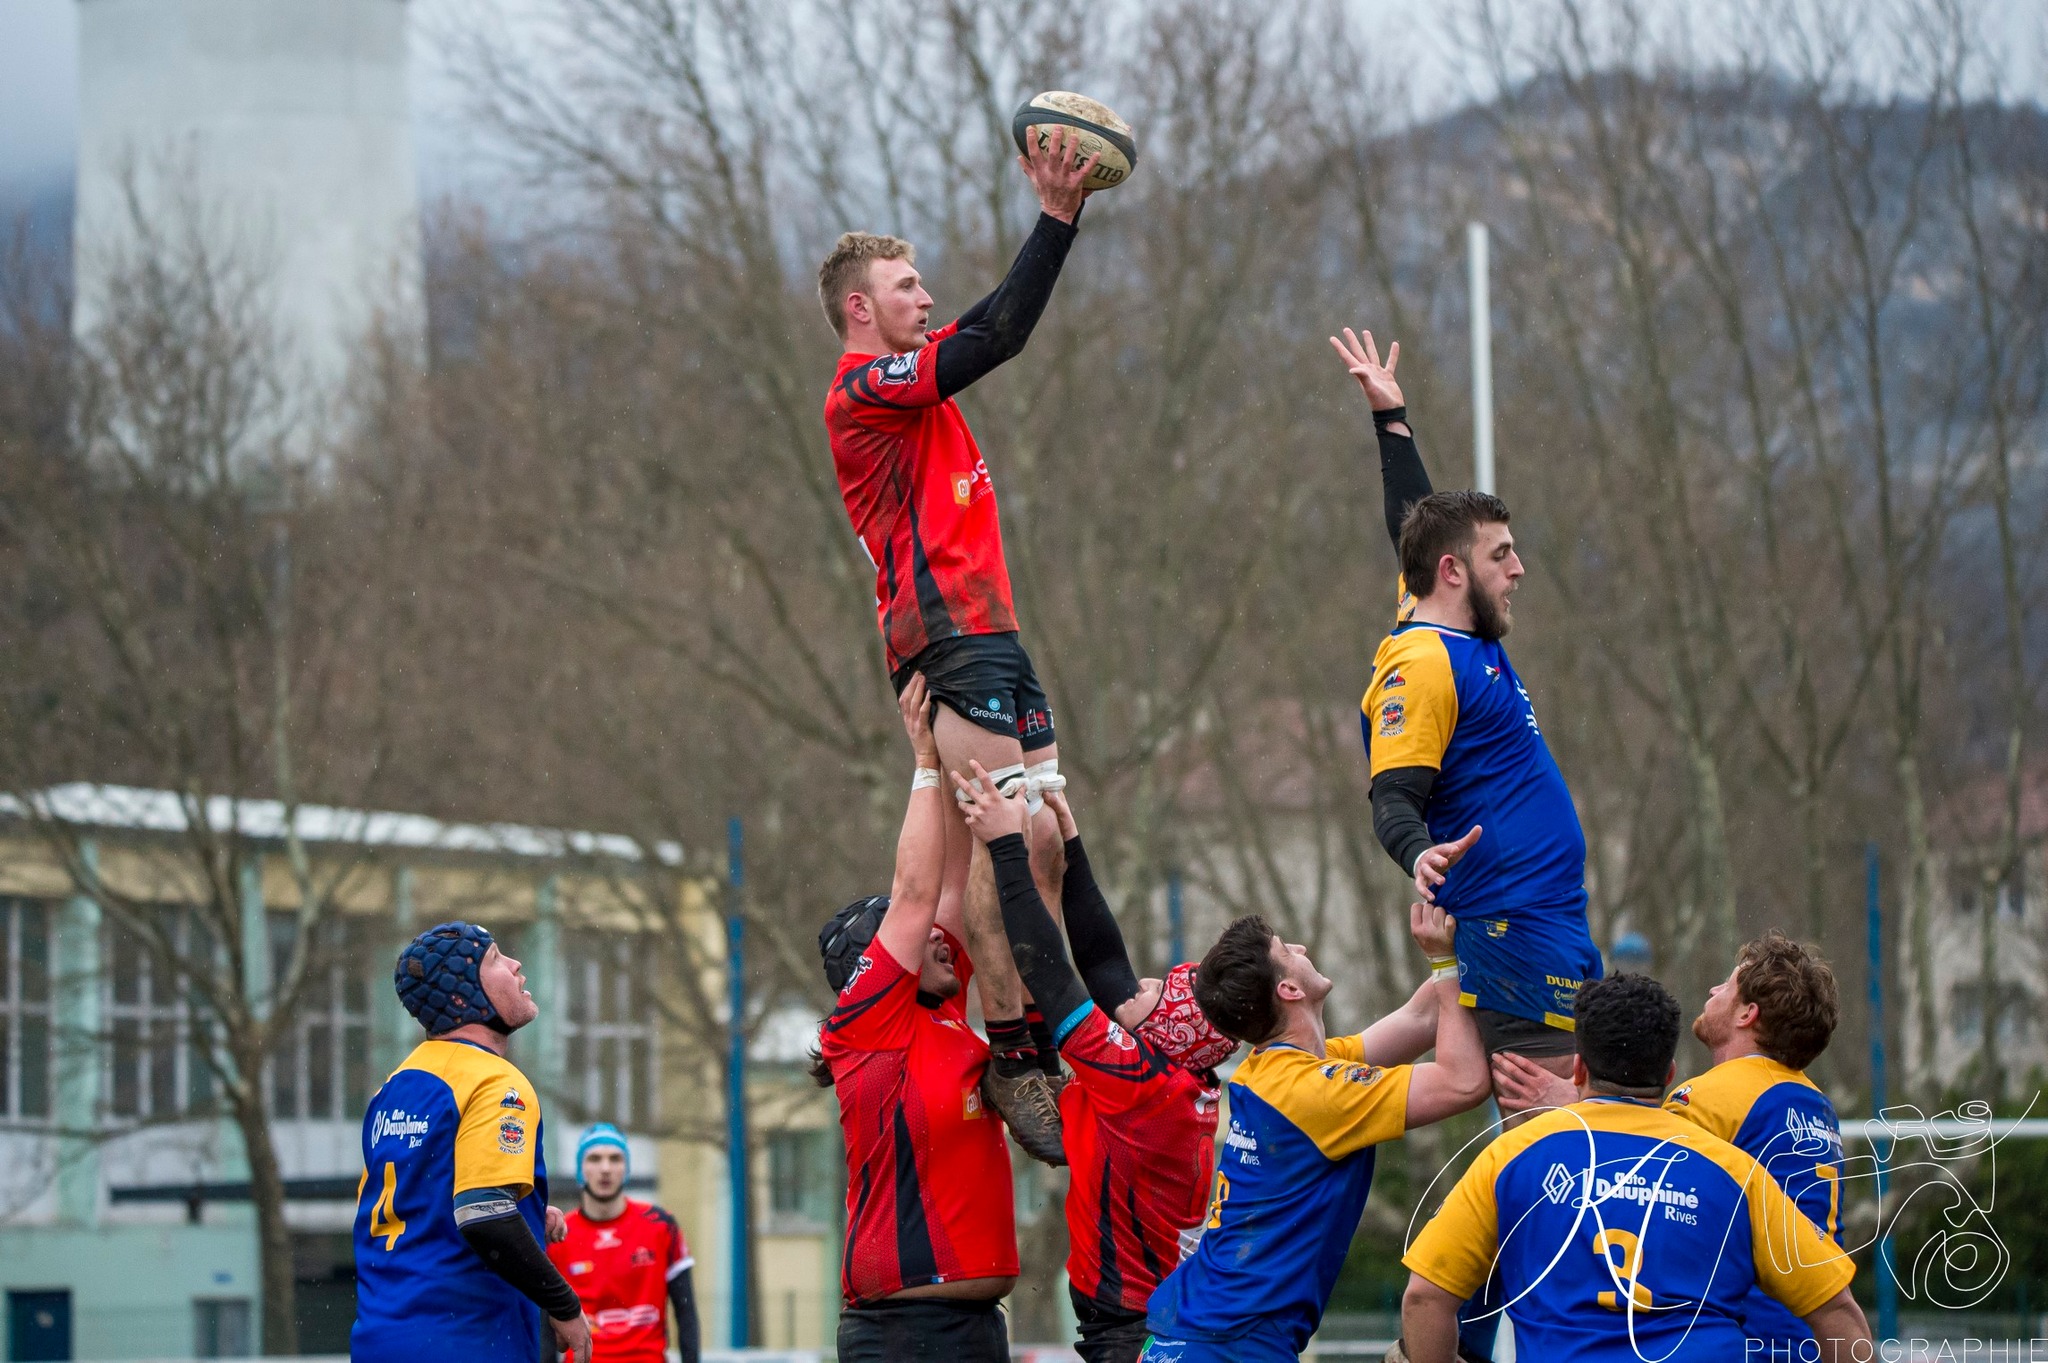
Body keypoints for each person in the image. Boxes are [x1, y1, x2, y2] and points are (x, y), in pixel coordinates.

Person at [818, 125, 1101, 1157]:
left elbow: (974, 333)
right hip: (949, 639)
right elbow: (996, 335)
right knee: (998, 844)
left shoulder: (912, 391)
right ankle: (1017, 1052)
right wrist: (1056, 220)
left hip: (997, 633)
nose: (924, 296)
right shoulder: (861, 392)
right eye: (905, 285)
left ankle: (1056, 1018)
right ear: (861, 308)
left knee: (1044, 841)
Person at [1331, 325, 1602, 1118]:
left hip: (1544, 923)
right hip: (1515, 932)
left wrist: (1393, 421)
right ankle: (1303, 1095)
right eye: (1502, 556)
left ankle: (1307, 1076)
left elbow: (1414, 522)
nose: (1518, 569)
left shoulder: (1452, 626)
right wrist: (1420, 857)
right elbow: (1392, 799)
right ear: (1454, 573)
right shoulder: (1423, 662)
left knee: (1569, 1139)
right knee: (1556, 1152)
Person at [1399, 975, 1871, 1363]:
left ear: (1579, 1068)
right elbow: (1840, 1315)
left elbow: (1424, 1299)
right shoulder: (1739, 1170)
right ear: (1668, 1075)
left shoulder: (1514, 1156)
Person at [953, 770, 1230, 1363]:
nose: (1143, 982)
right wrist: (1072, 852)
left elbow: (1051, 970)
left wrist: (1005, 845)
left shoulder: (1144, 1087)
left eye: (1158, 990)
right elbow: (1104, 958)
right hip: (1145, 1311)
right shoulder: (1177, 1068)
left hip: (1133, 1327)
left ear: (1161, 1029)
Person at [1138, 904, 1492, 1362]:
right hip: (1228, 1344)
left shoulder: (1278, 1070)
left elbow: (1421, 1019)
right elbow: (1463, 1082)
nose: (1301, 947)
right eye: (1286, 949)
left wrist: (1474, 928)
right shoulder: (1314, 1093)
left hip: (1200, 1334)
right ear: (1288, 988)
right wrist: (1444, 963)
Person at [1495, 932, 1847, 1361]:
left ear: (1747, 1015)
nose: (1713, 991)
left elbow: (1637, 1142)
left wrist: (1573, 1100)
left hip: (1755, 1334)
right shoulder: (1813, 1103)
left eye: (1727, 987)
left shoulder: (1722, 1093)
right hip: (1811, 1328)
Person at [813, 676, 1019, 1363]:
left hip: (976, 1326)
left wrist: (969, 739)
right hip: (902, 1333)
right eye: (917, 933)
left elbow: (955, 885)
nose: (937, 935)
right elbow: (916, 892)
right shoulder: (866, 1025)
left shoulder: (943, 1012)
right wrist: (925, 765)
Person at [352, 922, 591, 1363]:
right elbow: (484, 1214)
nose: (516, 965)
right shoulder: (496, 1081)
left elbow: (416, 1202)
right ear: (463, 998)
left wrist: (529, 1209)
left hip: (381, 1338)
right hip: (466, 1339)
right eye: (496, 959)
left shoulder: (394, 1087)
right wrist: (564, 1304)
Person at [546, 1122, 700, 1363]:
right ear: (580, 1169)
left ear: (626, 1168)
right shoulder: (557, 1234)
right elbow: (545, 1326)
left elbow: (686, 1313)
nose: (605, 1168)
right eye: (594, 1159)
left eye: (615, 1159)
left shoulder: (661, 1225)